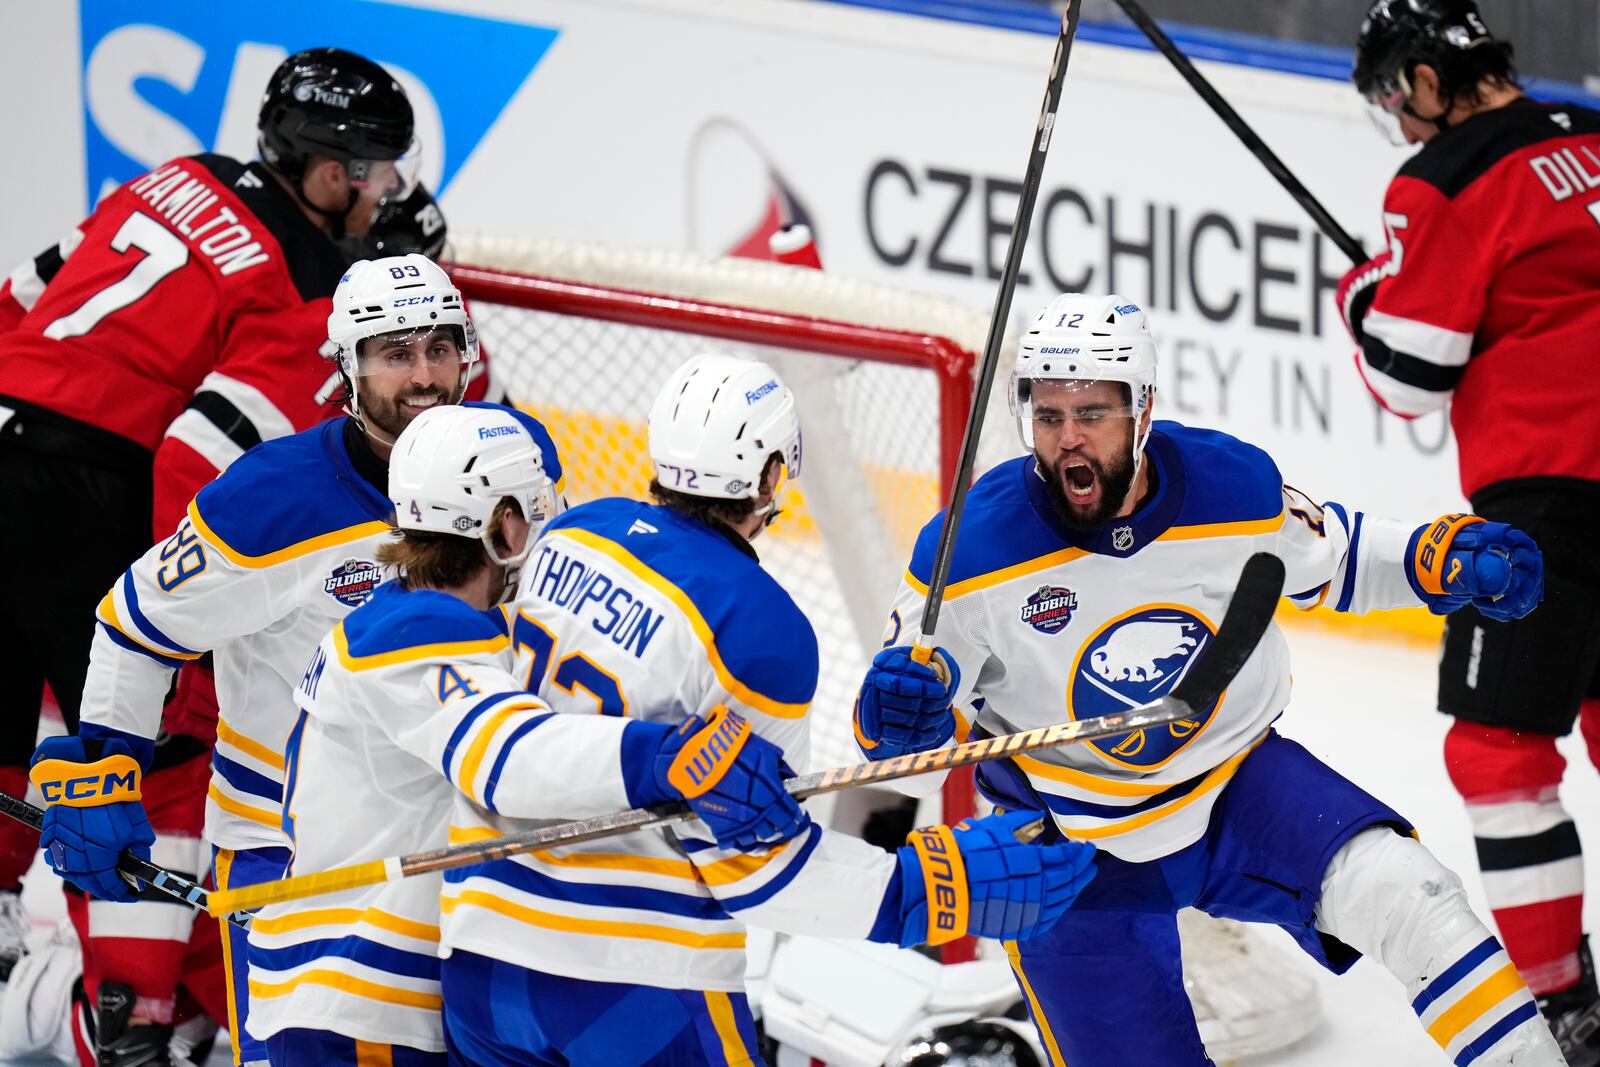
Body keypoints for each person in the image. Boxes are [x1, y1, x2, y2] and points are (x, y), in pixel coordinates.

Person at [853, 293, 1562, 1065]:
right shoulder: (969, 549)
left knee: (1415, 897)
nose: (1068, 439)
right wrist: (900, 717)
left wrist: (1436, 557)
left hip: (1239, 787)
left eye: (1092, 412)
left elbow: (1338, 558)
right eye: (1050, 416)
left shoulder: (1230, 488)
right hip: (1069, 847)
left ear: (1144, 408)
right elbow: (899, 715)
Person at [391, 353, 1094, 1065]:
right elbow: (759, 867)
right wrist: (923, 888)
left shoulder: (570, 534)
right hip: (630, 984)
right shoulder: (762, 626)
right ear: (767, 477)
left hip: (480, 962)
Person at [26, 253, 563, 1067]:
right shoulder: (270, 501)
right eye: (396, 353)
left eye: (440, 349)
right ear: (346, 368)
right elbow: (136, 622)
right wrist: (109, 762)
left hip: (458, 834)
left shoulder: (514, 463)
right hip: (297, 854)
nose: (424, 376)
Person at [0, 46, 419, 1056]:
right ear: (328, 171)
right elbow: (192, 453)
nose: (376, 191)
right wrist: (178, 608)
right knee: (164, 747)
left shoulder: (173, 175)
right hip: (89, 486)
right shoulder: (303, 283)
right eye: (370, 170)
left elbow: (22, 294)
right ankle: (127, 1013)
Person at [1339, 3, 1600, 1060]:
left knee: (1497, 751)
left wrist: (1362, 290)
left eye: (1396, 99)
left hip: (1547, 497)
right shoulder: (1582, 137)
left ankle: (1560, 1000)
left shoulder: (1441, 178)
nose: (1399, 123)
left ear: (1423, 81)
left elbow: (1409, 373)